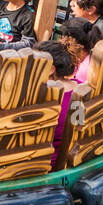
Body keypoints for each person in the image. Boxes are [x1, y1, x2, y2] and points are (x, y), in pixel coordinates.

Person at [33, 39, 77, 171]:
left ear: (51, 69)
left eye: (35, 63)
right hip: (73, 160)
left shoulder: (43, 98)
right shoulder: (79, 87)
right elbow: (79, 125)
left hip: (45, 165)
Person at [57, 17, 98, 85]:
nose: (63, 42)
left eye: (65, 38)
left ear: (73, 41)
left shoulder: (84, 70)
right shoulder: (89, 58)